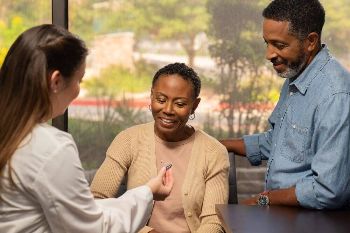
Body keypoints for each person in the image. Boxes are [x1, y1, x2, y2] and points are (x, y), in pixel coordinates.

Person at [0, 24, 174, 233]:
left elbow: (79, 209)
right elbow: (93, 229)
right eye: (79, 80)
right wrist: (148, 193)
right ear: (55, 81)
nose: (78, 91)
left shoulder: (12, 135)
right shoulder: (49, 148)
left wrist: (144, 192)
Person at [221, 0, 350, 209]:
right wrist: (218, 144)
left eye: (279, 45)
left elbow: (329, 190)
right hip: (282, 212)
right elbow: (281, 142)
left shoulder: (336, 95)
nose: (269, 54)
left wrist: (263, 200)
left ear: (310, 41)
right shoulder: (297, 73)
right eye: (267, 43)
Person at [91, 62, 230, 233]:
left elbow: (214, 221)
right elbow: (97, 201)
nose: (168, 110)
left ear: (194, 105)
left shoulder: (214, 152)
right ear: (151, 96)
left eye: (180, 104)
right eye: (161, 100)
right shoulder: (128, 140)